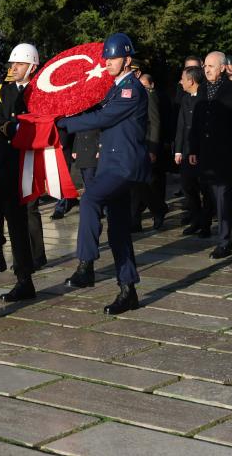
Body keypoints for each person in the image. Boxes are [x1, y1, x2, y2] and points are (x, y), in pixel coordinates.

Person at [59, 33, 149, 315]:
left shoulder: (131, 89)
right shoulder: (112, 90)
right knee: (119, 230)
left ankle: (86, 265)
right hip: (111, 165)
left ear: (127, 60)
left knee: (89, 200)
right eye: (106, 58)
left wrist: (65, 123)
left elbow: (103, 118)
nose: (108, 62)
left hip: (125, 167)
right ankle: (128, 289)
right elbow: (95, 110)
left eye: (113, 58)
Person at [0, 43, 44, 301]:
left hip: (29, 161)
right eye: (12, 64)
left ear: (32, 67)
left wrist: (17, 128)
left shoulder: (40, 92)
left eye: (18, 64)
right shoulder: (4, 92)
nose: (12, 68)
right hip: (8, 161)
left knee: (19, 220)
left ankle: (23, 277)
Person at [190, 51, 232, 258]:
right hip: (207, 152)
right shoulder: (203, 89)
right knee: (215, 196)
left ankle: (224, 241)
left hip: (226, 153)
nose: (206, 70)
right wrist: (193, 148)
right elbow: (197, 120)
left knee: (224, 196)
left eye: (211, 66)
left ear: (222, 68)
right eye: (205, 66)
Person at [175, 66, 211, 237]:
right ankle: (196, 219)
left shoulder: (206, 97)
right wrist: (178, 150)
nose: (180, 81)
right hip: (187, 150)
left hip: (202, 151)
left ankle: (206, 224)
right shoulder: (185, 99)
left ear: (191, 80)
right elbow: (181, 125)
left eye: (183, 78)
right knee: (188, 186)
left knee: (205, 188)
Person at [130, 73, 168, 231]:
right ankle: (135, 220)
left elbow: (155, 122)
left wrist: (153, 148)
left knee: (143, 182)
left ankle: (158, 209)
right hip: (131, 145)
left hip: (145, 145)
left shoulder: (147, 94)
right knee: (134, 183)